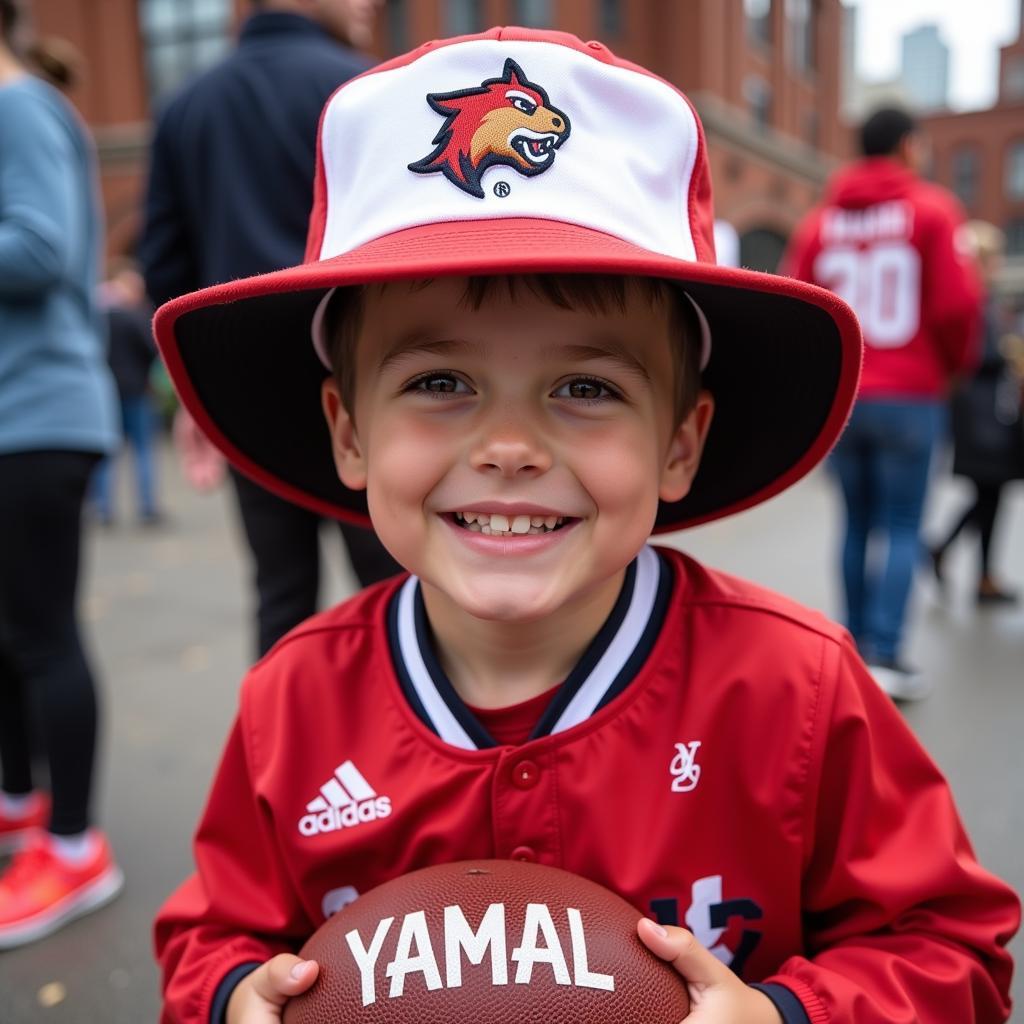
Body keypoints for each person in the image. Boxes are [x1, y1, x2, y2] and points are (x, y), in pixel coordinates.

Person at [151, 30, 1018, 1024]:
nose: (509, 445)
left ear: (680, 443)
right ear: (347, 433)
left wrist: (787, 1014)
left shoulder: (796, 689)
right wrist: (231, 995)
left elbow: (949, 944)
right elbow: (210, 930)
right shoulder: (290, 703)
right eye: (439, 382)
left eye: (583, 386)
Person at [139, 0, 399, 659]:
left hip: (243, 392)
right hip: (363, 382)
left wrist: (195, 393)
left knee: (281, 593)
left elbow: (164, 266)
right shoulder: (363, 92)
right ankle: (420, 752)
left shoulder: (186, 108)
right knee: (398, 584)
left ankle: (283, 755)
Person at [783, 107, 982, 702]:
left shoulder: (819, 222)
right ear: (906, 146)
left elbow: (800, 305)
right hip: (911, 391)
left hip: (846, 392)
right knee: (900, 525)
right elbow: (957, 307)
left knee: (856, 522)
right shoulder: (933, 210)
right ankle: (886, 653)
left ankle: (851, 646)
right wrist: (950, 369)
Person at [0, 0, 123, 946]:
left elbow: (41, 249)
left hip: (35, 417)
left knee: (40, 637)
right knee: (10, 637)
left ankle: (77, 851)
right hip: (18, 418)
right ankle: (20, 806)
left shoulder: (20, 106)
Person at [929, 221, 1024, 604]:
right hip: (982, 417)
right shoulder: (970, 299)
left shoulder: (983, 299)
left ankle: (975, 570)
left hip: (986, 415)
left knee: (989, 495)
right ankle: (965, 565)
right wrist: (1007, 354)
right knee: (989, 493)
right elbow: (974, 355)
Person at [91, 259, 164, 526]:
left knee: (108, 452)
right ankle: (147, 507)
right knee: (143, 449)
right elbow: (154, 350)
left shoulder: (96, 316)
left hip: (106, 393)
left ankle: (103, 507)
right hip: (137, 391)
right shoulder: (134, 316)